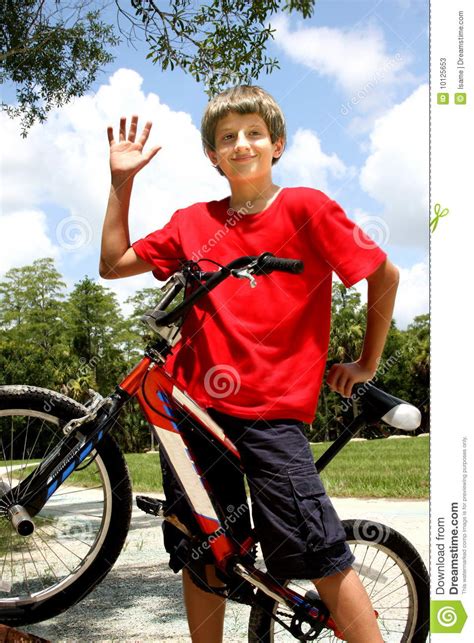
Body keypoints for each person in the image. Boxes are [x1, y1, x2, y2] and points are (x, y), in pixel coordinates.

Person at [100, 85, 399, 643]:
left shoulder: (307, 208)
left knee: (319, 550)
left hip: (273, 414)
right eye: (226, 137)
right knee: (203, 551)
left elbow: (385, 274)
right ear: (212, 155)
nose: (241, 144)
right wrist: (123, 182)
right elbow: (113, 264)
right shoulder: (193, 222)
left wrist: (365, 363)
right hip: (192, 412)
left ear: (276, 144)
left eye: (253, 134)